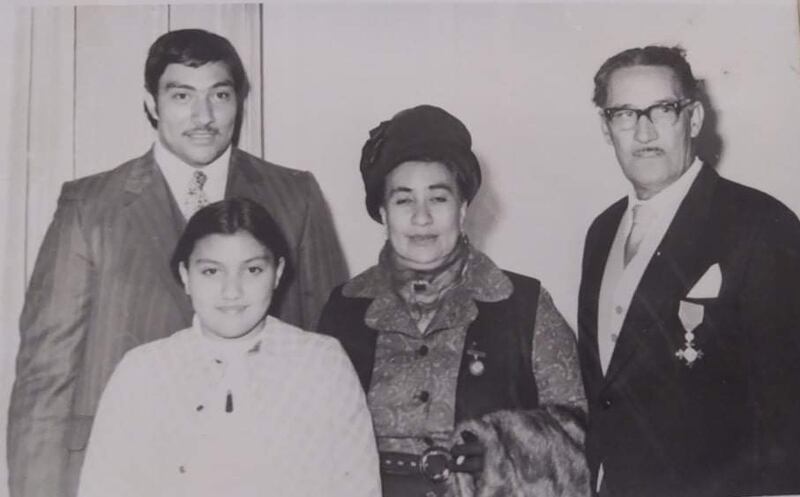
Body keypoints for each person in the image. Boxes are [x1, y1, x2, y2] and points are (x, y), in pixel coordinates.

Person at [8, 29, 347, 497]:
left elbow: (328, 349)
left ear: (239, 102)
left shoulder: (296, 196)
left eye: (220, 95)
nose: (203, 116)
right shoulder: (89, 206)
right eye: (182, 95)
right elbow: (45, 380)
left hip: (263, 472)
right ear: (151, 103)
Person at [318, 104, 588, 497]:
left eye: (439, 198)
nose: (422, 217)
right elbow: (310, 440)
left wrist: (495, 450)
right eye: (403, 199)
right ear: (382, 211)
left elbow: (578, 431)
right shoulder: (342, 310)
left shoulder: (525, 306)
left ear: (462, 208)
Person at [577, 45, 800, 497]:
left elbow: (787, 410)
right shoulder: (601, 232)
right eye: (624, 113)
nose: (644, 131)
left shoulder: (760, 224)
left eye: (663, 109)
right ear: (606, 128)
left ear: (693, 119)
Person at [76, 198, 379, 497]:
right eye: (211, 271)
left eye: (252, 270)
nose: (231, 291)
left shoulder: (322, 364)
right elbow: (104, 486)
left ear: (278, 272)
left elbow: (357, 486)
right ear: (186, 276)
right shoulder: (143, 371)